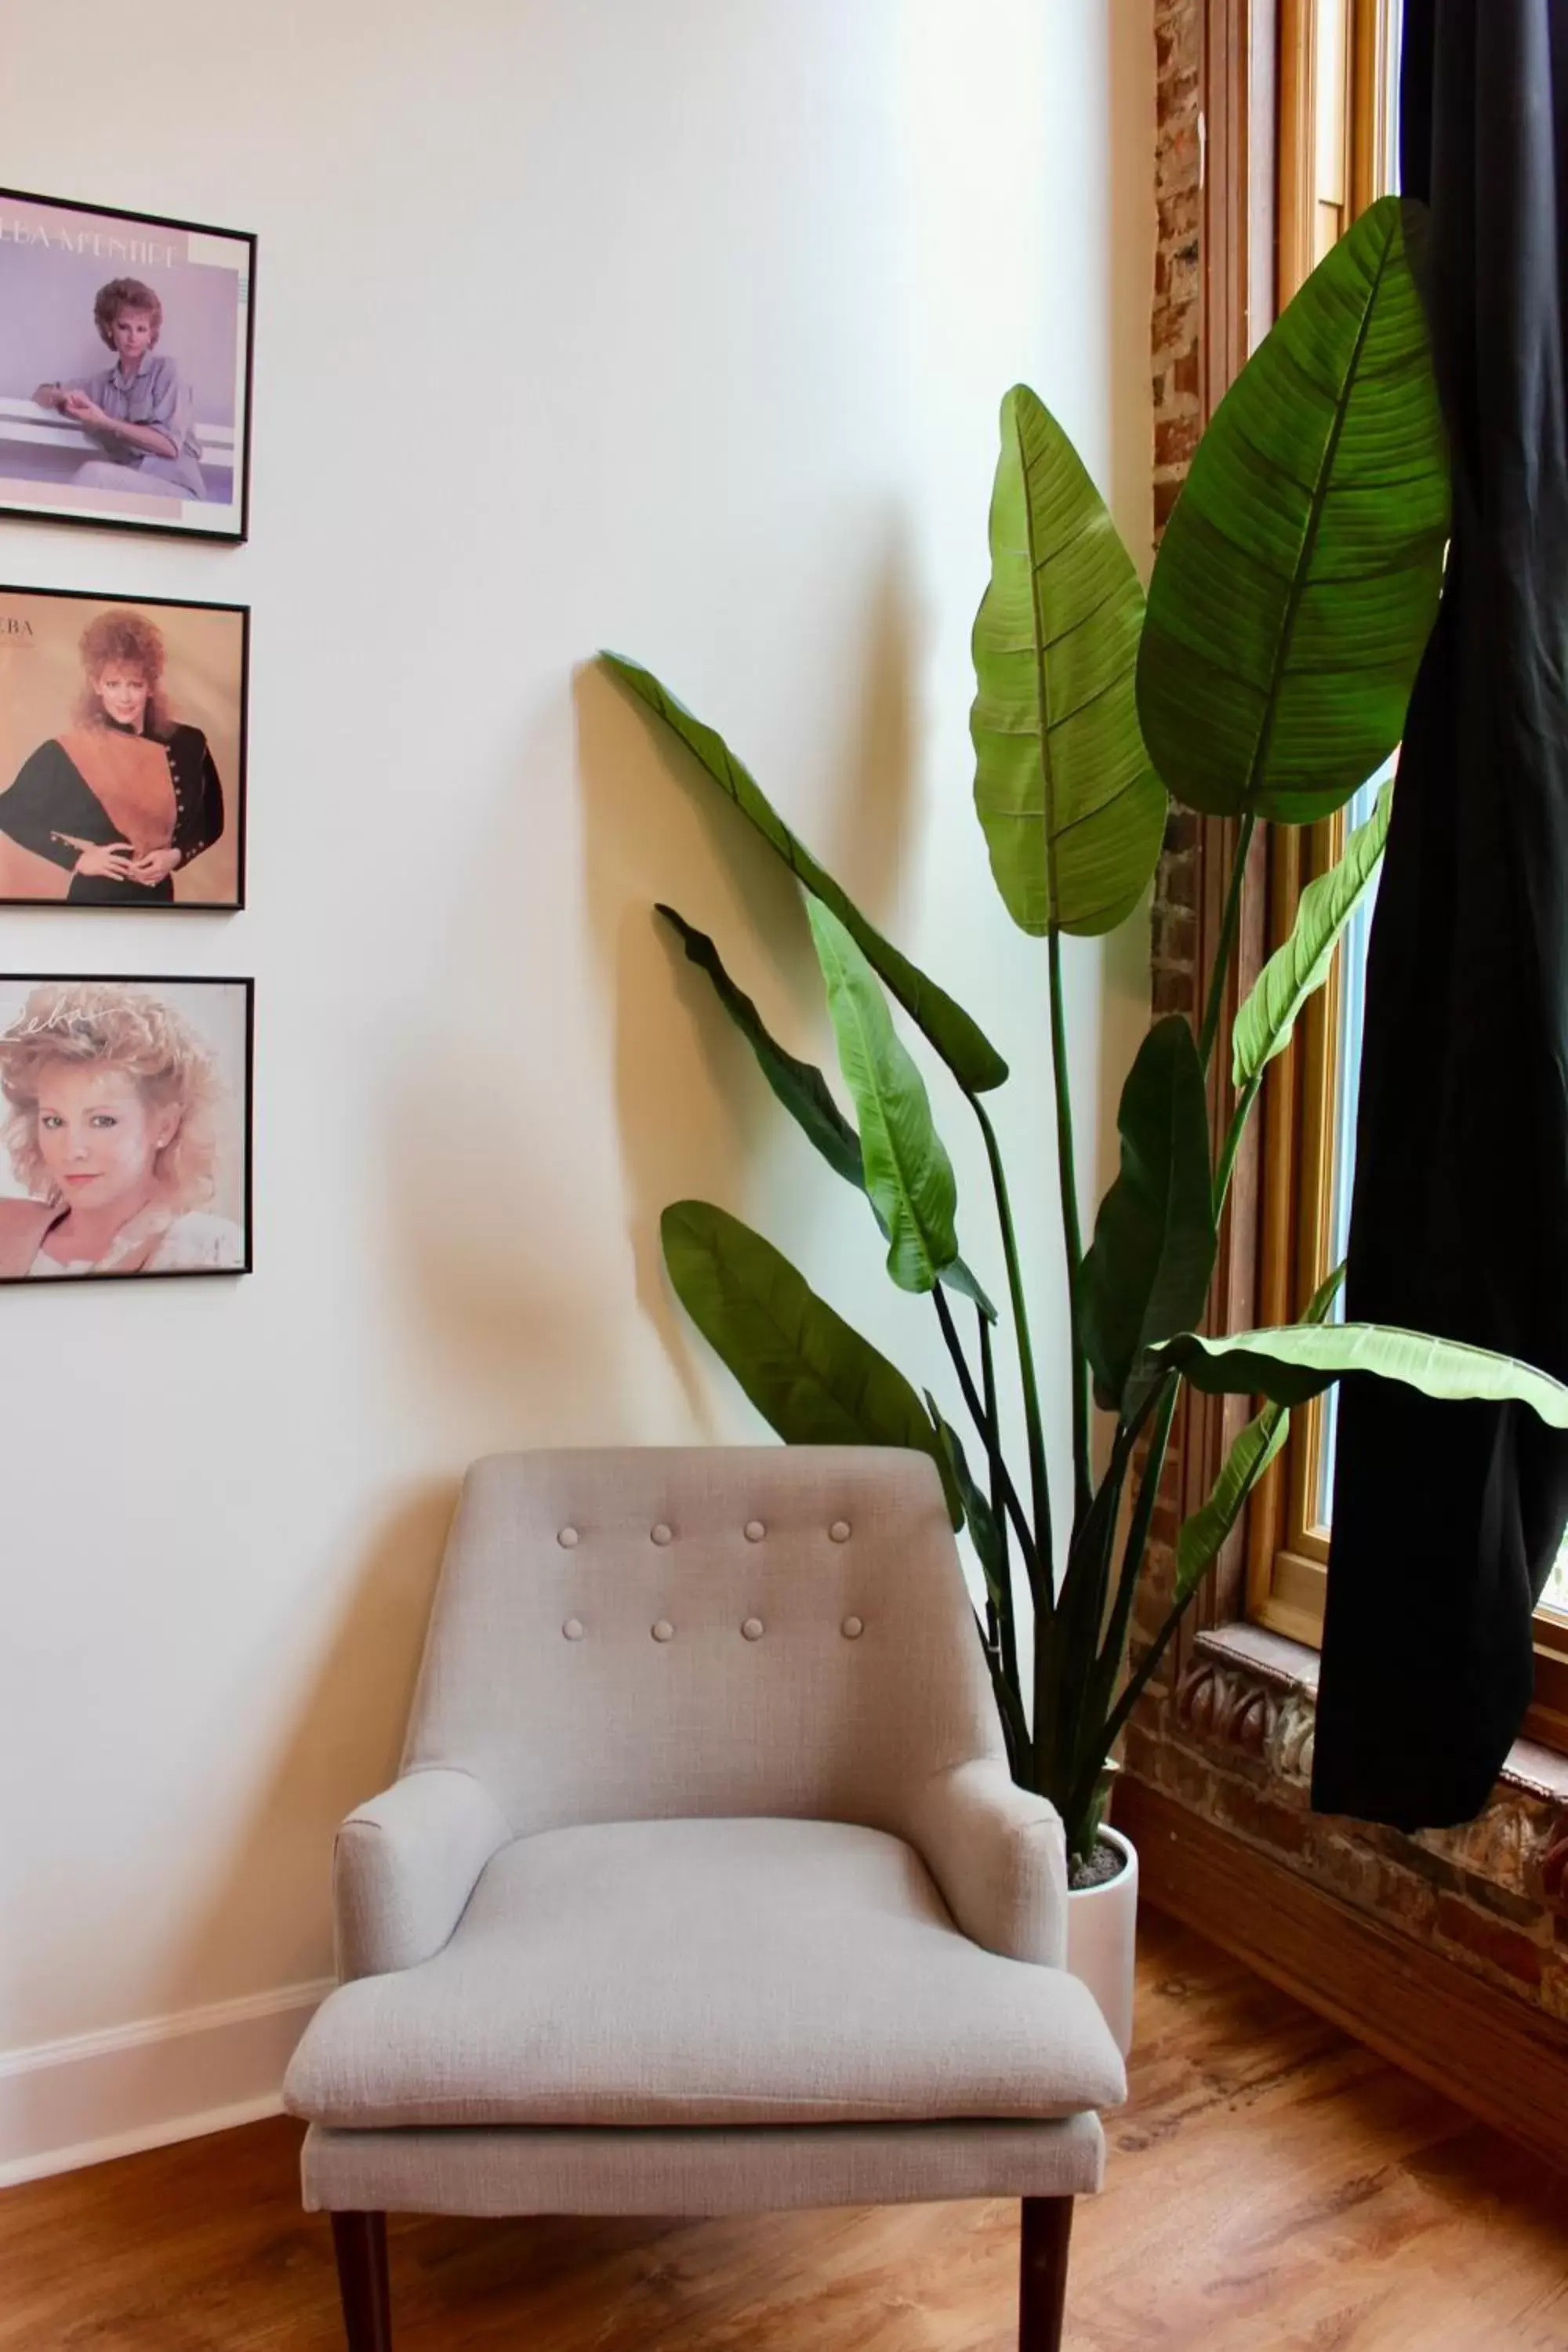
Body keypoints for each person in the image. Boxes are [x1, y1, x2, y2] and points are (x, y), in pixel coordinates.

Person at [0, 982, 245, 1279]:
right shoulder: (7, 1226)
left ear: (166, 1126)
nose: (72, 1151)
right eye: (54, 1121)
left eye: (102, 1121)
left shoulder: (207, 1250)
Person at [0, 607, 225, 904]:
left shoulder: (189, 744)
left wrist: (175, 855)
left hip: (159, 897)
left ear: (151, 687)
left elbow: (212, 820)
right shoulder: (67, 751)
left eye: (135, 684)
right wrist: (79, 859)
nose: (125, 697)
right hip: (94, 897)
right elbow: (9, 811)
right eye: (113, 684)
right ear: (97, 686)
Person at [31, 274, 206, 500]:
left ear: (151, 334)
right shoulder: (102, 385)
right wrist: (63, 397)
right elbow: (41, 393)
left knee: (92, 475)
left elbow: (170, 446)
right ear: (109, 328)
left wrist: (104, 421)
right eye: (125, 327)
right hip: (129, 495)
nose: (133, 337)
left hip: (179, 494)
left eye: (142, 329)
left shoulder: (168, 372)